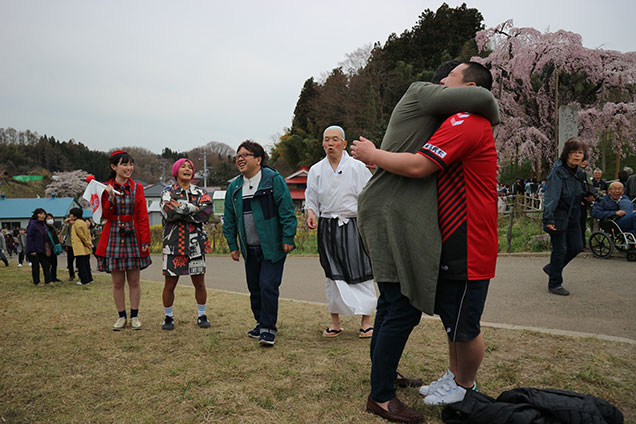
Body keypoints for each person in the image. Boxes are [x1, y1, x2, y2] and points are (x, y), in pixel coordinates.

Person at [352, 61, 500, 422]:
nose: (444, 81)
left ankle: (407, 381)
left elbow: (479, 98)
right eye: (447, 79)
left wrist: (375, 155)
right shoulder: (425, 93)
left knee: (397, 304)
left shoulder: (460, 121)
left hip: (409, 217)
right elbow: (421, 163)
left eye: (450, 77)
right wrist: (373, 155)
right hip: (391, 211)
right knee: (400, 305)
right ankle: (382, 394)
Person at [222, 141, 297, 346]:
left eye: (245, 154)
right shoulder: (235, 187)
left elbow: (286, 211)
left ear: (258, 159)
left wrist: (288, 237)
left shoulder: (273, 180)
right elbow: (229, 219)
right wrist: (233, 245)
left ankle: (268, 328)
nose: (240, 158)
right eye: (238, 155)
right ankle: (260, 323)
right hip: (249, 248)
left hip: (272, 246)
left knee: (268, 286)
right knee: (255, 288)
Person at [305, 125, 375, 339]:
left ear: (344, 143)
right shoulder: (317, 170)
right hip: (327, 225)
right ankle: (335, 322)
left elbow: (367, 197)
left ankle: (366, 321)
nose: (330, 144)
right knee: (332, 273)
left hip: (353, 224)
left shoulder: (357, 167)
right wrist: (311, 213)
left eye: (335, 139)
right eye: (326, 140)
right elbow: (311, 197)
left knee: (361, 269)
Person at [96, 150, 151, 331]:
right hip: (113, 234)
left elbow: (143, 215)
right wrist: (110, 197)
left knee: (134, 281)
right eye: (124, 164)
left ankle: (135, 316)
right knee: (117, 282)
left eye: (131, 164)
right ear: (114, 167)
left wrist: (145, 239)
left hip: (133, 235)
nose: (129, 168)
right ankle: (121, 316)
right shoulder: (104, 187)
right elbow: (103, 215)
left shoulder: (138, 188)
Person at [160, 158, 214, 330]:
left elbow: (205, 212)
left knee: (199, 283)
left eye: (190, 167)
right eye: (183, 166)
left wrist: (183, 209)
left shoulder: (200, 191)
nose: (187, 169)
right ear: (176, 171)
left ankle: (202, 315)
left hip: (196, 244)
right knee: (170, 284)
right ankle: (168, 317)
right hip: (173, 244)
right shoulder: (167, 191)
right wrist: (193, 208)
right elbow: (169, 211)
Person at [542, 138, 593, 296]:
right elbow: (552, 196)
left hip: (574, 214)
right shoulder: (558, 172)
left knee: (577, 246)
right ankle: (555, 283)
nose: (577, 156)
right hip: (559, 214)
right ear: (566, 154)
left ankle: (552, 268)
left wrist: (590, 196)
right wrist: (548, 219)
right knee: (560, 249)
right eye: (573, 152)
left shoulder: (580, 173)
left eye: (580, 152)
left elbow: (585, 190)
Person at [26, 208, 53, 285]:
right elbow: (29, 237)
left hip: (42, 248)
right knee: (35, 266)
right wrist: (32, 250)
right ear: (36, 215)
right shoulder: (32, 224)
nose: (43, 216)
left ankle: (48, 280)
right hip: (34, 249)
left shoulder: (43, 224)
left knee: (46, 265)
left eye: (44, 214)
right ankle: (37, 281)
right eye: (41, 214)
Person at [70, 208, 93, 285]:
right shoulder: (83, 222)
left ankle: (84, 280)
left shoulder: (76, 224)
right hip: (86, 247)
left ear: (75, 216)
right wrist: (89, 243)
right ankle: (89, 278)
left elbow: (81, 235)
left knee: (81, 264)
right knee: (86, 264)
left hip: (80, 247)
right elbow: (87, 234)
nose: (70, 216)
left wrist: (87, 243)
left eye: (71, 214)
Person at [44, 213, 62, 282]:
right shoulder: (44, 228)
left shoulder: (53, 227)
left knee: (54, 264)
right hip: (48, 248)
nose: (50, 220)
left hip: (54, 248)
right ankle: (49, 278)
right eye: (48, 218)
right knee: (48, 264)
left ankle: (54, 277)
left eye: (51, 218)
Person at [60, 216, 76, 280]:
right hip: (70, 244)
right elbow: (63, 232)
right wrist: (66, 224)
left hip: (77, 245)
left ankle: (81, 274)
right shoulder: (68, 225)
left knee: (79, 261)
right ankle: (71, 275)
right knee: (70, 261)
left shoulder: (78, 224)